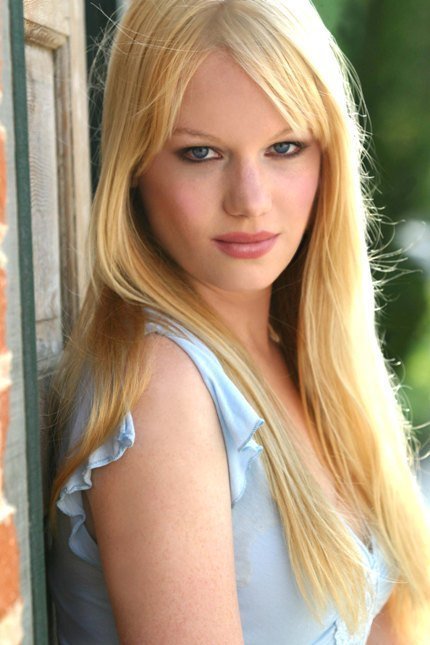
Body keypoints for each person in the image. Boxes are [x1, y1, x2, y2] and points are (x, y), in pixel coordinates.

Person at [48, 0, 430, 643]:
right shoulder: (163, 388)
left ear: (329, 159)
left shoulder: (306, 358)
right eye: (200, 153)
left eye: (284, 147)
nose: (249, 201)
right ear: (136, 165)